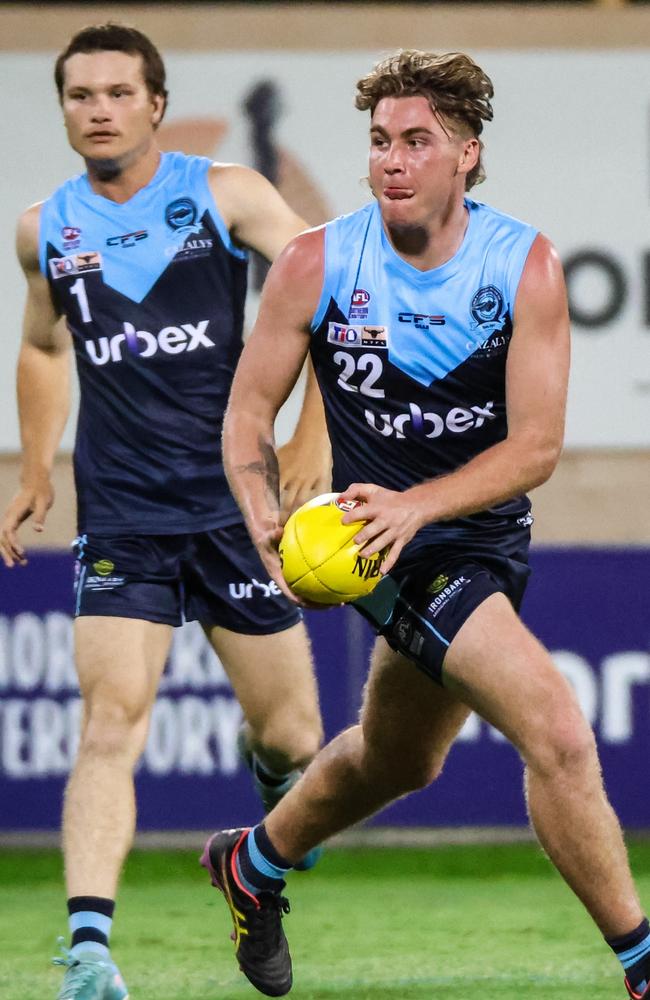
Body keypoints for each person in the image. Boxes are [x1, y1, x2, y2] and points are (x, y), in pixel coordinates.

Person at [204, 49, 650, 1000]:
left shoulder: (522, 264)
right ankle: (644, 962)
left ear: (466, 158)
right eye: (378, 142)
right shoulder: (317, 263)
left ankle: (255, 862)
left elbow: (535, 448)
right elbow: (246, 418)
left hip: (471, 531)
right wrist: (262, 517)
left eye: (417, 141)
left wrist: (422, 503)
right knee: (559, 733)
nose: (392, 160)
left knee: (402, 757)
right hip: (379, 545)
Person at [0, 22, 331, 1000]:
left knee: (295, 741)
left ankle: (261, 830)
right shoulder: (41, 228)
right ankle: (90, 952)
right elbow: (45, 347)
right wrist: (33, 465)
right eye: (78, 95)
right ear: (62, 109)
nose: (97, 109)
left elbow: (319, 289)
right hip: (125, 515)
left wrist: (311, 438)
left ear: (154, 101)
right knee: (110, 720)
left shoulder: (223, 193)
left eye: (116, 92)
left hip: (235, 510)